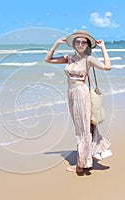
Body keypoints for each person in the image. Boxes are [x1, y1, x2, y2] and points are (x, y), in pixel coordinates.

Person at [45, 30, 112, 173]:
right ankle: (87, 157)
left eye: (83, 42)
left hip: (81, 94)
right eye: (78, 41)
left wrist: (103, 48)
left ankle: (81, 165)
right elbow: (48, 59)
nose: (80, 44)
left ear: (87, 45)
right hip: (71, 93)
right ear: (74, 44)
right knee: (81, 127)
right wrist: (56, 43)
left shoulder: (89, 59)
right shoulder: (69, 58)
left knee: (83, 129)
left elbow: (107, 67)